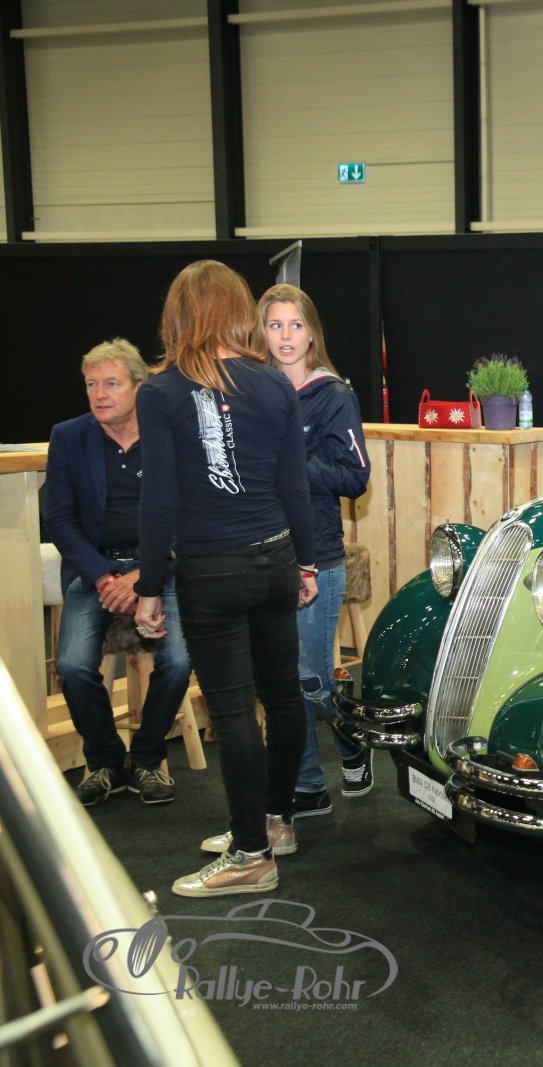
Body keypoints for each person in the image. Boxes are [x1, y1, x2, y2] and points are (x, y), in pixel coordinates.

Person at [133, 259, 320, 898]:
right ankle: (275, 823)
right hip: (275, 559)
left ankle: (250, 854)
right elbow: (294, 487)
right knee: (283, 696)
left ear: (181, 314)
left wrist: (148, 586)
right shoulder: (274, 385)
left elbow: (158, 503)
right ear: (240, 310)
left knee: (236, 711)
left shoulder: (160, 392)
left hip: (212, 570)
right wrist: (306, 562)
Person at [45, 339, 191, 808]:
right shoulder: (69, 436)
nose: (100, 394)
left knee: (178, 662)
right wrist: (105, 577)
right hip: (96, 570)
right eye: (92, 384)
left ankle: (147, 757)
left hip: (162, 567)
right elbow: (59, 521)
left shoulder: (169, 435)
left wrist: (146, 575)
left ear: (139, 387)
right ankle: (105, 760)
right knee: (71, 667)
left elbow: (189, 516)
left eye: (111, 383)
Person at [257, 283, 372, 816]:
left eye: (295, 325)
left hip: (318, 556)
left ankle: (353, 743)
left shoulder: (334, 396)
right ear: (261, 332)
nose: (285, 336)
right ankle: (307, 785)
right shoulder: (253, 391)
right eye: (275, 324)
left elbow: (355, 477)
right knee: (279, 682)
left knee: (312, 680)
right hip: (261, 553)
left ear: (312, 334)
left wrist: (291, 461)